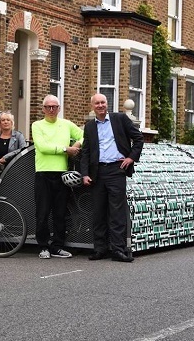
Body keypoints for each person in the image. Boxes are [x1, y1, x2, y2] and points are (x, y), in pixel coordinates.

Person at [80, 93, 143, 263]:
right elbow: (85, 151)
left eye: (103, 102)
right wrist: (84, 174)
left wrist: (131, 158)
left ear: (107, 104)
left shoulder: (120, 119)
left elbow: (138, 138)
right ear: (92, 106)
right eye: (97, 103)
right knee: (98, 212)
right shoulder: (89, 126)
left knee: (117, 212)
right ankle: (100, 249)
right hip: (97, 173)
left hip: (117, 170)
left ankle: (118, 250)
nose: (100, 106)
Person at [31, 95, 83, 259]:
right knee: (43, 212)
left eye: (54, 107)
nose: (51, 110)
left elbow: (85, 134)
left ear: (59, 108)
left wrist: (76, 145)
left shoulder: (66, 124)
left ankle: (58, 246)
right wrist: (65, 149)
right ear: (43, 109)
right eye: (48, 107)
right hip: (43, 173)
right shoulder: (37, 125)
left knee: (60, 213)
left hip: (62, 175)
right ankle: (44, 247)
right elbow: (42, 147)